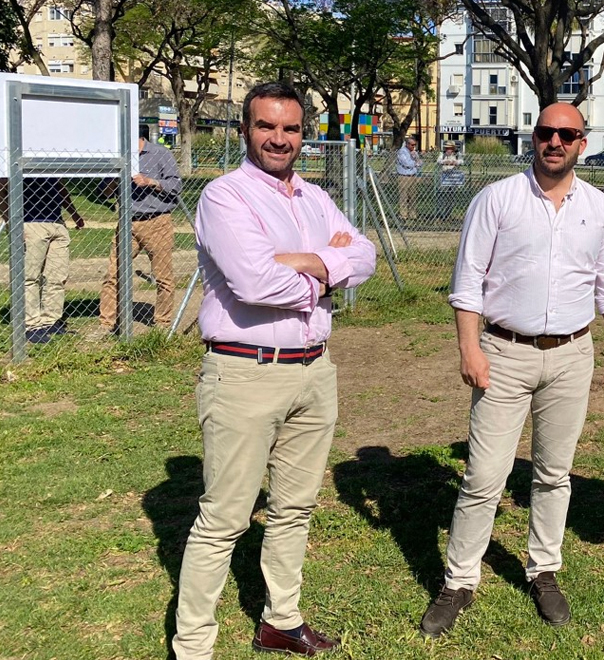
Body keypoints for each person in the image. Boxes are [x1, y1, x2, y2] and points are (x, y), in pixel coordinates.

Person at [171, 81, 377, 660]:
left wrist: (308, 261)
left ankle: (280, 621)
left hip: (315, 372)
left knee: (294, 508)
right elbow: (254, 283)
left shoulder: (313, 198)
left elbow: (365, 256)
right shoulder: (225, 197)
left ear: (303, 135)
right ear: (245, 130)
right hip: (245, 373)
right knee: (225, 519)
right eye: (266, 126)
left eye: (290, 128)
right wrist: (328, 269)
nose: (279, 139)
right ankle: (193, 647)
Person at [421, 102, 604, 637]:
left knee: (553, 473)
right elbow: (468, 282)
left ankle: (544, 571)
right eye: (546, 132)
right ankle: (459, 580)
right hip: (504, 353)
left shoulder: (599, 207)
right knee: (484, 476)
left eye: (568, 134)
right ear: (532, 138)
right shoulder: (498, 199)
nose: (555, 141)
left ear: (583, 143)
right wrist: (470, 349)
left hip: (571, 354)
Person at [98, 123, 182, 332]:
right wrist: (114, 180)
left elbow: (176, 186)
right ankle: (106, 324)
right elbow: (105, 193)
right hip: (127, 222)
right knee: (112, 274)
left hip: (157, 222)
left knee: (163, 276)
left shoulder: (160, 154)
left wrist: (150, 181)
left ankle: (162, 323)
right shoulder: (118, 158)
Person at [5, 176, 84, 344]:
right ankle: (31, 325)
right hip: (31, 223)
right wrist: (13, 223)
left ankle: (51, 321)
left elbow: (61, 187)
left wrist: (74, 213)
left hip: (57, 223)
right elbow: (1, 191)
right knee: (29, 277)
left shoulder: (51, 162)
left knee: (57, 276)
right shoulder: (18, 158)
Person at [435, 140, 465, 223]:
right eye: (447, 148)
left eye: (450, 148)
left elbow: (462, 161)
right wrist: (445, 161)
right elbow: (438, 161)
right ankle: (440, 215)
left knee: (451, 197)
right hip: (444, 177)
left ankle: (448, 214)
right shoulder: (442, 154)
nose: (448, 150)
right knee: (441, 196)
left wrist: (455, 162)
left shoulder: (457, 154)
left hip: (453, 178)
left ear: (453, 148)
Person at [394, 136, 421, 220]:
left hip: (413, 176)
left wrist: (415, 158)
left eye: (415, 145)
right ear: (407, 144)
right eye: (412, 145)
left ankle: (413, 215)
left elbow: (421, 162)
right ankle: (403, 215)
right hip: (403, 177)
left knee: (413, 196)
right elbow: (406, 163)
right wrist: (415, 163)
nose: (413, 147)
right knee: (403, 196)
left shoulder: (414, 152)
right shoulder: (402, 152)